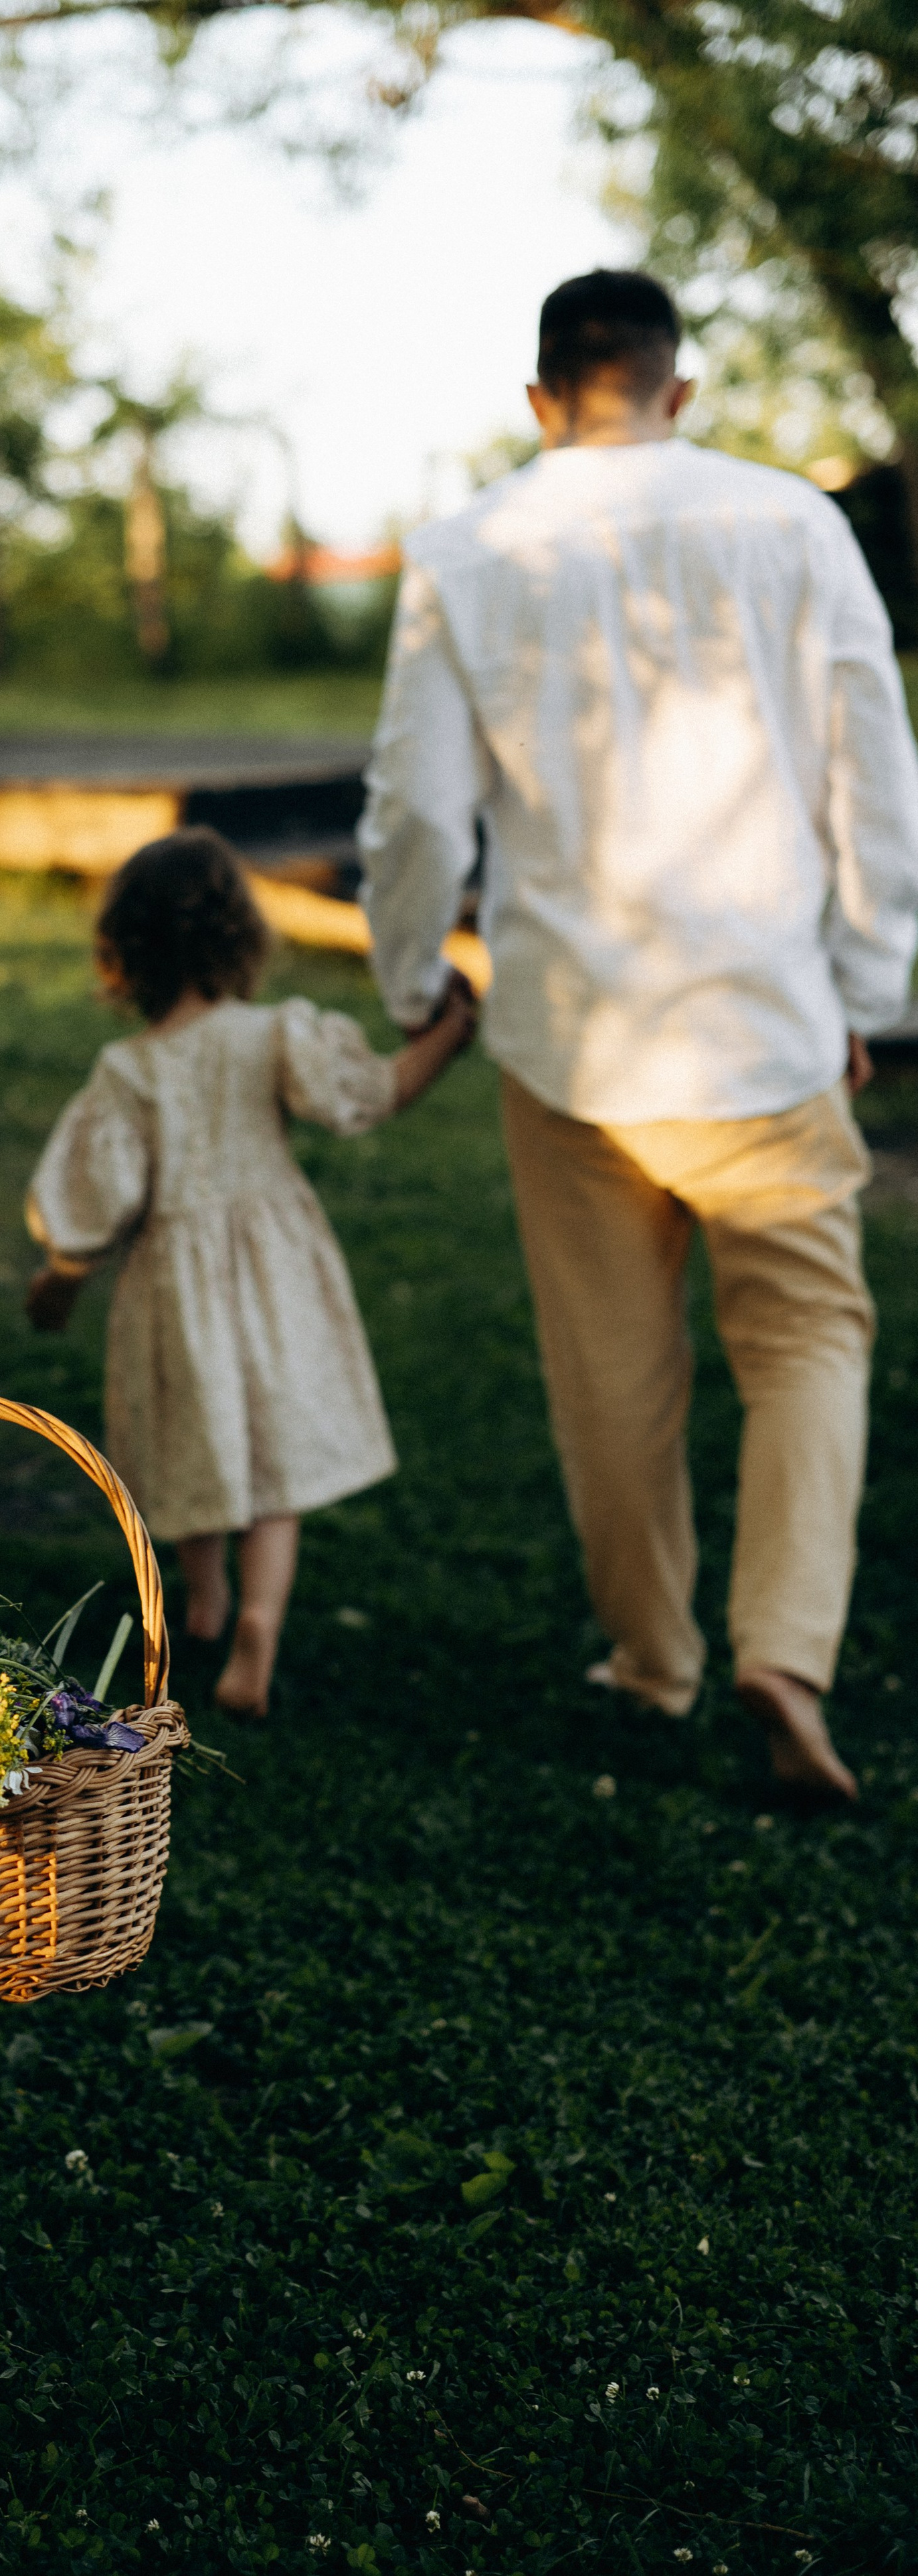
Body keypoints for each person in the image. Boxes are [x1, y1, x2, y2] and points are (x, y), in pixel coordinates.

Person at [359, 266, 918, 1798]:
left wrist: (413, 975)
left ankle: (653, 1661)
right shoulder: (790, 523)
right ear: (676, 390)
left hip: (569, 1040)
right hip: (766, 1025)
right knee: (807, 1335)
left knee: (608, 1368)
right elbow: (873, 767)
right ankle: (781, 1649)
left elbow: (412, 806)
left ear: (540, 401)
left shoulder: (464, 547)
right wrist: (870, 992)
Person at [23, 827, 475, 1716]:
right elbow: (370, 1095)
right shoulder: (275, 1036)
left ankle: (206, 1603)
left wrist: (63, 1276)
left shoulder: (130, 1070)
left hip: (173, 1285)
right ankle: (259, 1619)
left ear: (125, 955)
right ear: (241, 936)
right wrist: (450, 1035)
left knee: (192, 1440)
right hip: (275, 1274)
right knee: (274, 1457)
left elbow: (102, 1194)